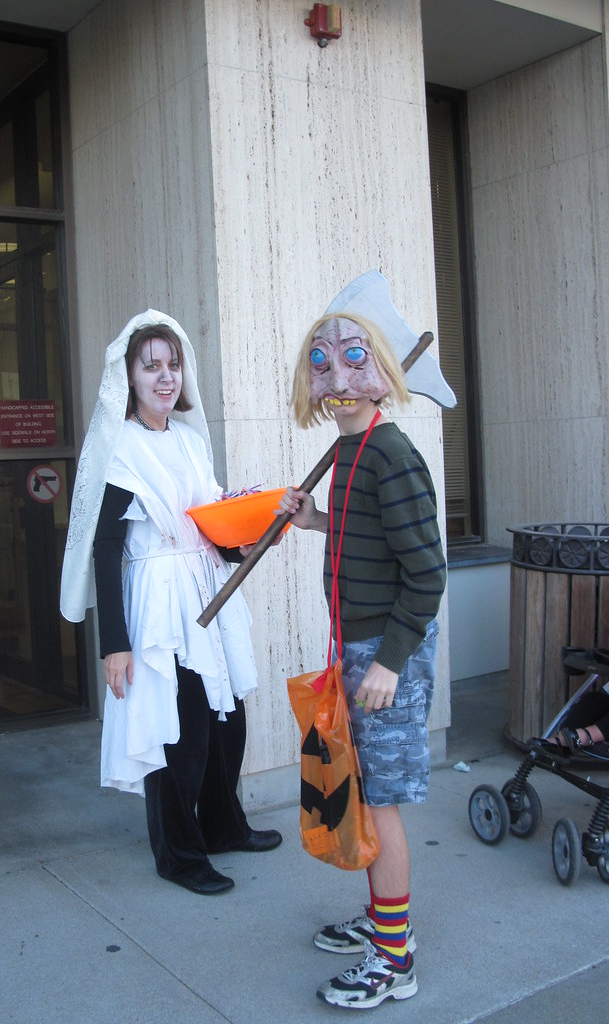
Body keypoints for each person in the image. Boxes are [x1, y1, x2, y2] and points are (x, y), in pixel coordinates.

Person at [278, 272, 455, 1009]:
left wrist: (387, 664)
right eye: (322, 361)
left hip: (386, 655)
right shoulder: (353, 451)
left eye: (355, 359)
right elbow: (372, 543)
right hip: (358, 648)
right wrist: (316, 522)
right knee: (361, 793)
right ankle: (385, 922)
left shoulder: (391, 456)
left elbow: (428, 575)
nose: (338, 377)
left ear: (385, 370)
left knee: (378, 803)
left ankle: (395, 958)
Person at [60, 310, 281, 896]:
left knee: (225, 718)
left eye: (173, 365)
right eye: (150, 365)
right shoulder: (120, 449)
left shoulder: (187, 439)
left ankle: (223, 826)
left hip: (206, 589)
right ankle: (179, 854)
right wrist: (115, 645)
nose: (165, 377)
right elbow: (105, 549)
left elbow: (210, 523)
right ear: (128, 378)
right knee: (178, 730)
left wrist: (254, 530)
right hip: (157, 605)